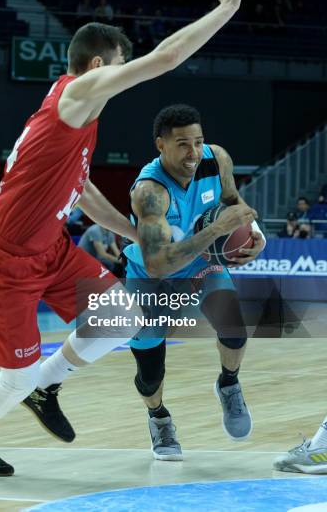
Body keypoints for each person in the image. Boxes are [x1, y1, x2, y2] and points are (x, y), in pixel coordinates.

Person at [0, 0, 245, 476]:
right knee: (13, 378)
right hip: (5, 260)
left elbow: (78, 190)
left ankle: (48, 383)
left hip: (51, 251)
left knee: (124, 318)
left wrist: (132, 230)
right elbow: (165, 59)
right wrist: (225, 10)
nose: (124, 76)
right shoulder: (76, 94)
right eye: (119, 65)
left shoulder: (78, 120)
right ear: (100, 67)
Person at [123, 104, 264, 460]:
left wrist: (254, 233)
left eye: (198, 141)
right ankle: (158, 417)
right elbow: (157, 264)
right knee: (150, 373)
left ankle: (228, 384)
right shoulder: (150, 192)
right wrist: (218, 228)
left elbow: (232, 201)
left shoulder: (216, 160)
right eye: (183, 144)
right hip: (151, 276)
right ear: (161, 145)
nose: (194, 153)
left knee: (234, 327)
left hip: (201, 264)